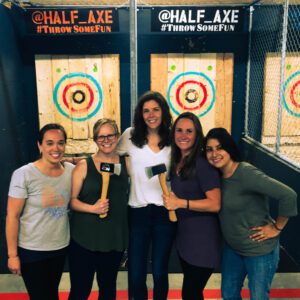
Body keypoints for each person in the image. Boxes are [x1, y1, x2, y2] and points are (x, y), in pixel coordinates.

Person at [204, 127, 298, 300]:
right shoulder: (215, 177)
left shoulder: (246, 173)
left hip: (259, 251)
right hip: (233, 249)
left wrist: (277, 227)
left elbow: (288, 195)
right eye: (209, 149)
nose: (214, 153)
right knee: (229, 294)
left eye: (219, 148)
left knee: (258, 297)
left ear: (229, 148)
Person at [118, 91, 176, 300]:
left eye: (156, 109)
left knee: (160, 271)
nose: (151, 115)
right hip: (137, 212)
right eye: (146, 111)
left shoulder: (173, 139)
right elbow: (111, 154)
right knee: (135, 272)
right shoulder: (130, 136)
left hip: (164, 213)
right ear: (140, 114)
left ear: (163, 112)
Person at [6, 123, 74, 300]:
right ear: (40, 145)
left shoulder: (71, 172)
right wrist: (12, 255)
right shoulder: (24, 174)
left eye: (60, 143)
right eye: (49, 143)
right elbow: (12, 216)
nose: (56, 148)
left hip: (59, 247)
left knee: (52, 294)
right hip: (32, 250)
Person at [162, 112, 222, 300]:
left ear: (197, 135)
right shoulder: (177, 161)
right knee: (192, 293)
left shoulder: (202, 164)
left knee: (190, 293)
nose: (183, 135)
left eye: (189, 131)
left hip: (202, 242)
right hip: (185, 239)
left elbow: (215, 204)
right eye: (179, 130)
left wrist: (179, 203)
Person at [68, 118, 129, 300]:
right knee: (80, 291)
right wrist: (92, 208)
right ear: (95, 140)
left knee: (108, 290)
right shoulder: (83, 166)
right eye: (101, 137)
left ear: (117, 137)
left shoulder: (127, 163)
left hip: (113, 239)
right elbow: (72, 201)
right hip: (84, 239)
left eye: (110, 135)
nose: (106, 140)